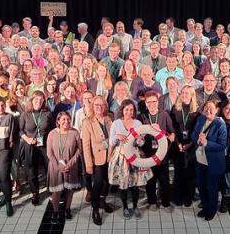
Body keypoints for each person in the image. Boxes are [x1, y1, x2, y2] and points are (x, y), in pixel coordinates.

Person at [108, 100, 152, 219]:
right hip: (120, 156)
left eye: (131, 110)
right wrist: (117, 136)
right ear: (122, 110)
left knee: (135, 184)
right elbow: (111, 142)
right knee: (123, 184)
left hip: (134, 155)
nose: (129, 112)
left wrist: (139, 139)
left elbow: (141, 143)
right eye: (126, 109)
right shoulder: (116, 123)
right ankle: (125, 207)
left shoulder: (137, 123)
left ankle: (136, 207)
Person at [138, 91, 176, 212]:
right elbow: (138, 135)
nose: (152, 104)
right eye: (149, 102)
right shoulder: (142, 116)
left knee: (164, 179)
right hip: (148, 153)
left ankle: (165, 203)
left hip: (162, 153)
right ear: (145, 103)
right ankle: (152, 201)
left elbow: (172, 132)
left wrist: (171, 136)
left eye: (154, 101)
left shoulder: (164, 115)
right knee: (150, 179)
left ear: (158, 102)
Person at [191, 100, 227, 220]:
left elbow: (222, 145)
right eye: (206, 108)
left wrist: (206, 143)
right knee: (201, 186)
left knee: (211, 188)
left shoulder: (220, 125)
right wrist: (198, 140)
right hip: (200, 160)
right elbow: (194, 134)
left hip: (213, 163)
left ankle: (211, 211)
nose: (209, 110)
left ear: (217, 110)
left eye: (211, 108)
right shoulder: (201, 119)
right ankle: (205, 207)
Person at [82, 96, 114, 225]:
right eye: (96, 105)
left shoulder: (108, 119)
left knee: (107, 183)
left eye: (101, 105)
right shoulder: (87, 122)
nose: (99, 107)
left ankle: (102, 201)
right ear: (92, 106)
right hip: (97, 159)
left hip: (110, 157)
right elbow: (86, 146)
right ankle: (95, 210)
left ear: (105, 106)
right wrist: (89, 164)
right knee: (98, 184)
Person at [47, 111, 82, 223]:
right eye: (63, 119)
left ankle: (67, 209)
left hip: (70, 166)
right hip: (55, 167)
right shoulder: (52, 134)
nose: (66, 122)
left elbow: (79, 150)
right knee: (56, 191)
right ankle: (56, 211)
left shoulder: (74, 133)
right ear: (58, 121)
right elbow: (49, 153)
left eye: (68, 119)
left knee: (69, 189)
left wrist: (69, 164)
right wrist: (58, 166)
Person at [20, 91, 52, 205]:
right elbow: (20, 130)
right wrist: (27, 139)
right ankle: (35, 193)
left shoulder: (47, 113)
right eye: (36, 99)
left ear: (44, 101)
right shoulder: (25, 114)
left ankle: (51, 189)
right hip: (30, 144)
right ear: (31, 100)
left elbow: (52, 129)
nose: (38, 102)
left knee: (49, 167)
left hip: (45, 144)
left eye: (41, 100)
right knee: (31, 169)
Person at [169, 86, 200, 207]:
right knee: (178, 172)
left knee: (190, 173)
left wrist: (191, 144)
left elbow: (197, 130)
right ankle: (178, 196)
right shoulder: (175, 108)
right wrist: (178, 143)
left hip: (191, 145)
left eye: (187, 93)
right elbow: (173, 128)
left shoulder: (197, 111)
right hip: (178, 144)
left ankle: (188, 197)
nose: (184, 95)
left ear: (192, 95)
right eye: (182, 92)